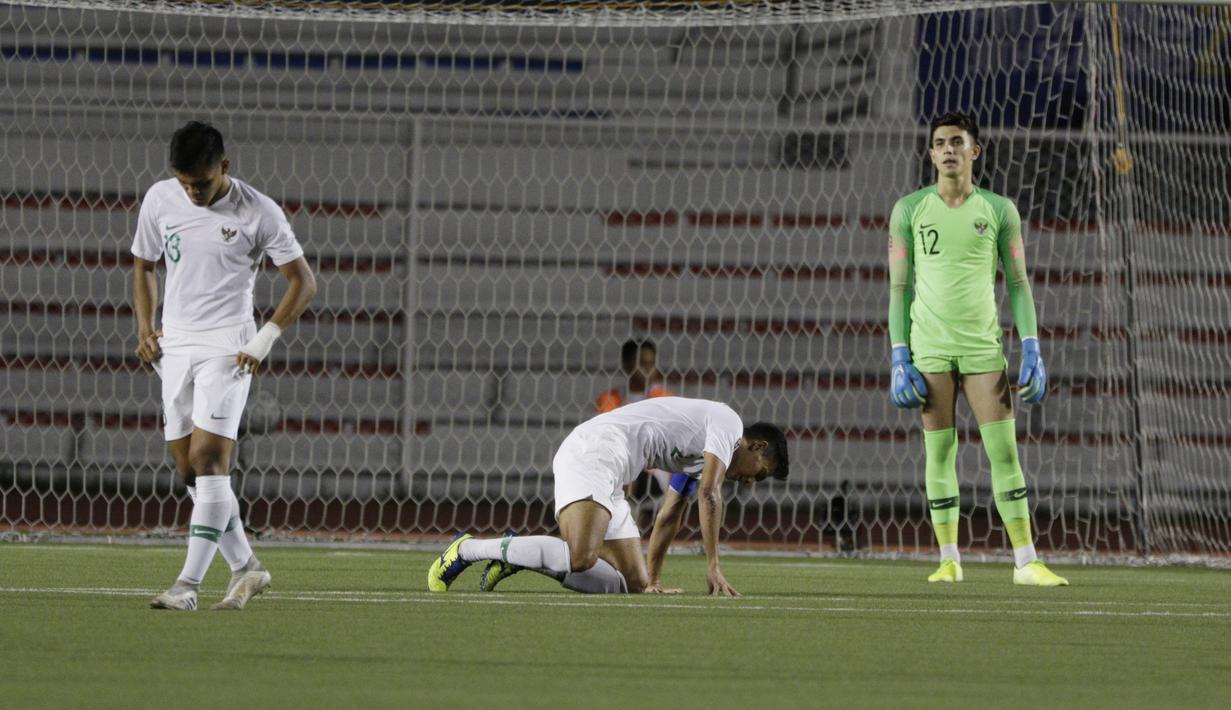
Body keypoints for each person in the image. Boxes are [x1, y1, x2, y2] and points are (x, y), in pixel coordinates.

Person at [132, 121, 317, 610]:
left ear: (225, 168)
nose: (193, 192)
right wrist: (145, 328)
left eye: (203, 183)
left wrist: (264, 339)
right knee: (189, 473)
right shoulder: (159, 200)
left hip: (228, 349)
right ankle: (247, 568)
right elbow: (144, 265)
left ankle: (186, 586)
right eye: (185, 182)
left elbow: (303, 282)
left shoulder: (258, 212)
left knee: (210, 461)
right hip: (175, 347)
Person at [887, 110, 1067, 586]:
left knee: (1004, 454)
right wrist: (898, 355)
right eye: (939, 142)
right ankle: (948, 559)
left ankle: (1026, 561)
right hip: (929, 351)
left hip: (984, 350)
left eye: (956, 142)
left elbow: (1019, 282)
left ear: (975, 151)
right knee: (939, 453)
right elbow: (898, 289)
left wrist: (1032, 347)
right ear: (930, 153)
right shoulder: (908, 210)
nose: (948, 149)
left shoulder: (999, 210)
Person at [427, 397, 789, 595]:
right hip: (597, 450)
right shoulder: (728, 423)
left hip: (615, 473)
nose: (750, 482)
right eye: (759, 473)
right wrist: (713, 566)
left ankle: (518, 555)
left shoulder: (703, 455)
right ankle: (467, 549)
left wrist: (655, 580)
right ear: (757, 446)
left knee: (631, 585)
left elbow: (670, 514)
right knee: (581, 557)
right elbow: (709, 495)